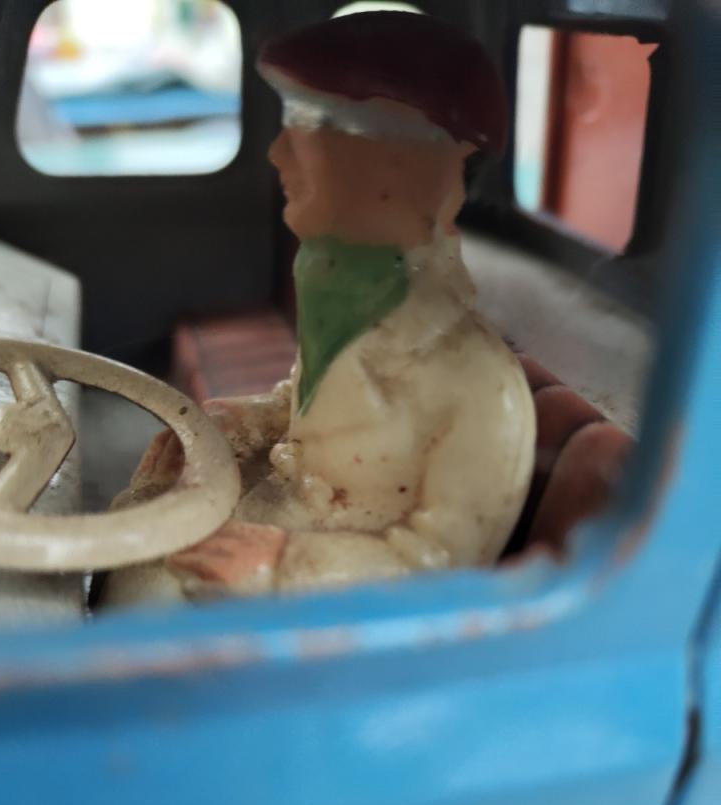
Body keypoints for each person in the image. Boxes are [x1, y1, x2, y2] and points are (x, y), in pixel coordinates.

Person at [105, 12, 536, 602]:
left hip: (330, 607)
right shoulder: (345, 295)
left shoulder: (482, 386)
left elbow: (443, 563)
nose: (278, 152)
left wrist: (282, 564)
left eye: (315, 126)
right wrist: (242, 423)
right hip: (279, 506)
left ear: (403, 163)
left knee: (149, 595)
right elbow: (308, 403)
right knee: (137, 524)